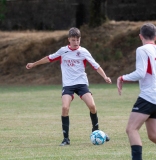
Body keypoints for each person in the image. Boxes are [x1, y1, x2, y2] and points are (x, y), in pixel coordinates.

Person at [26, 27, 112, 146]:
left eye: (77, 40)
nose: (76, 42)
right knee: (65, 108)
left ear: (80, 39)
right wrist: (34, 64)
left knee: (92, 106)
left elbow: (95, 65)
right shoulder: (63, 51)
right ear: (69, 40)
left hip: (81, 83)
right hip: (68, 85)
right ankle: (66, 139)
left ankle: (96, 131)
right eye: (73, 40)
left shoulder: (84, 52)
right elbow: (49, 58)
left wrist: (105, 77)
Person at [117, 23, 156, 160]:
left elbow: (141, 73)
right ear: (155, 37)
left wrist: (122, 78)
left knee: (131, 129)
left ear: (140, 36)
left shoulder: (142, 50)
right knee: (153, 135)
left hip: (148, 96)